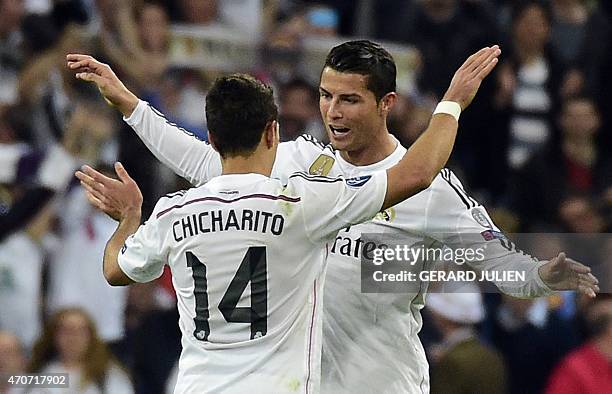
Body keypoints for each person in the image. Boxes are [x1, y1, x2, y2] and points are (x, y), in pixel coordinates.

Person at [67, 40, 598, 393]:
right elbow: (213, 164)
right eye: (326, 96)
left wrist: (539, 277)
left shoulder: (430, 188)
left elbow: (490, 262)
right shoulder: (300, 164)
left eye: (349, 100)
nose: (333, 112)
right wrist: (128, 102)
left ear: (386, 102)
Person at [28, 308, 133, 394]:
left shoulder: (109, 375)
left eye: (81, 331)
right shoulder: (38, 373)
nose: (73, 338)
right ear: (54, 335)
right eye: (67, 331)